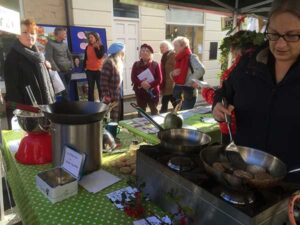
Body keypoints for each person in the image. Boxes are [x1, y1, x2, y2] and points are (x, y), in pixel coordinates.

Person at [212, 0, 300, 169]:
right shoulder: (249, 63)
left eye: (292, 35)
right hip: (242, 169)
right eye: (273, 34)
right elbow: (224, 93)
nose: (280, 44)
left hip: (291, 181)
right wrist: (218, 106)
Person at [200, 31, 264, 144]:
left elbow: (230, 99)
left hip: (236, 126)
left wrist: (206, 91)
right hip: (235, 124)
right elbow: (225, 94)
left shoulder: (244, 67)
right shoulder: (245, 64)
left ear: (236, 48)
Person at [4, 19, 55, 128]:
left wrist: (47, 69)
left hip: (44, 109)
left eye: (32, 33)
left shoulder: (38, 56)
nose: (29, 36)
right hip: (28, 114)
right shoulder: (13, 57)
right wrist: (23, 115)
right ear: (18, 35)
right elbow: (13, 90)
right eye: (25, 32)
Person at [171, 36, 205, 110]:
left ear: (183, 46)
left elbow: (201, 69)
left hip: (188, 91)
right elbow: (174, 76)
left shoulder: (192, 57)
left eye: (176, 46)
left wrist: (190, 81)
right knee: (180, 112)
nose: (174, 49)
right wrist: (172, 73)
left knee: (185, 114)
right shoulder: (178, 58)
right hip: (178, 91)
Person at [131, 44, 162, 115]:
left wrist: (149, 85)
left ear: (150, 54)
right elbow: (133, 78)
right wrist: (141, 83)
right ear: (140, 53)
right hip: (140, 93)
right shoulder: (136, 64)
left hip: (152, 92)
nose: (145, 52)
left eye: (147, 51)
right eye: (143, 50)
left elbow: (159, 79)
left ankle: (155, 126)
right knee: (141, 113)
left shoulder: (155, 64)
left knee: (154, 112)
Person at [45, 27, 73, 100]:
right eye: (64, 33)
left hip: (68, 70)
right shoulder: (50, 44)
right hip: (59, 72)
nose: (65, 35)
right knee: (65, 92)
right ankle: (69, 109)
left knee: (67, 90)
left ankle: (64, 108)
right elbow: (49, 58)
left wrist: (71, 66)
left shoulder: (65, 44)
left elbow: (69, 55)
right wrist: (57, 70)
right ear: (58, 34)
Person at [100, 42, 125, 121]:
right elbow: (103, 82)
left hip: (117, 97)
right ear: (119, 52)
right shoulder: (109, 62)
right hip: (111, 99)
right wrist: (107, 97)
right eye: (123, 51)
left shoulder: (118, 63)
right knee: (110, 121)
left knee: (116, 120)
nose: (124, 53)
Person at [83, 32, 105, 102]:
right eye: (89, 38)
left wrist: (96, 47)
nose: (90, 39)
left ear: (96, 38)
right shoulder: (87, 47)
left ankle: (103, 103)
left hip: (99, 70)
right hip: (89, 70)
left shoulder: (101, 46)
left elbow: (99, 56)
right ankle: (91, 104)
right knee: (90, 88)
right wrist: (85, 67)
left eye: (91, 37)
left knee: (100, 88)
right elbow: (86, 58)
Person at [159, 40, 176, 114]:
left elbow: (177, 68)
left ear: (168, 47)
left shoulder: (172, 55)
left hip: (172, 83)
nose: (161, 49)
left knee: (166, 101)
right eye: (160, 47)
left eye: (163, 47)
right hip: (166, 83)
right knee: (171, 101)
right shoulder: (165, 56)